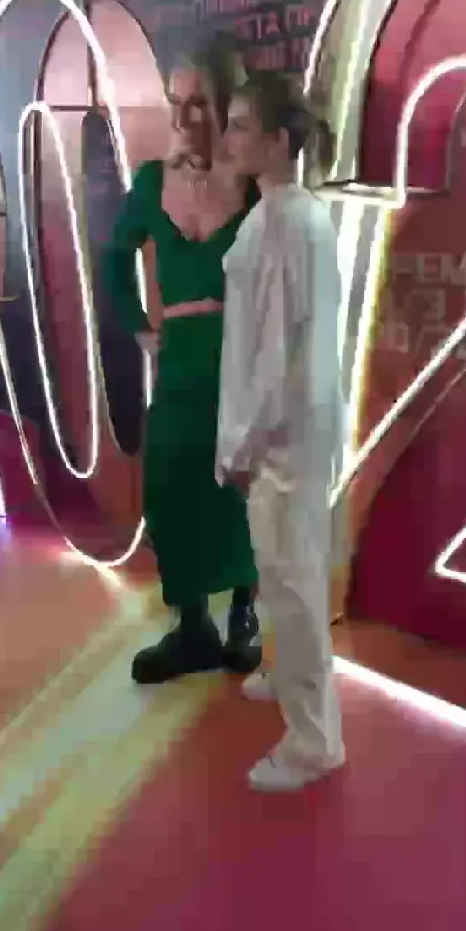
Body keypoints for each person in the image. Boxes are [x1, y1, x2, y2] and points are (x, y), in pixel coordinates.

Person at [102, 36, 262, 685]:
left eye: (200, 102)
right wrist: (142, 330)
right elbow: (114, 260)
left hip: (245, 362)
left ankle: (244, 616)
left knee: (242, 490)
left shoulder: (254, 182)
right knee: (170, 485)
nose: (185, 116)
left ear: (227, 104)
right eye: (177, 101)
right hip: (179, 368)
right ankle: (192, 626)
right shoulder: (151, 182)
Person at [216, 72, 346, 792]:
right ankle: (287, 672)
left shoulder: (287, 224)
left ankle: (313, 742)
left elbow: (273, 354)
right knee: (284, 571)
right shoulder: (278, 217)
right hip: (291, 429)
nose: (227, 137)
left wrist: (241, 445)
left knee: (291, 581)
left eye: (240, 125)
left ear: (276, 140)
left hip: (283, 436)